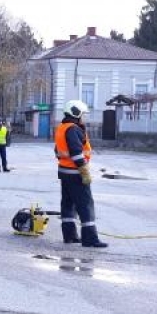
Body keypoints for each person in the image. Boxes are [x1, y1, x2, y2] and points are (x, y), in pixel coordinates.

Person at [55, 100, 108, 248]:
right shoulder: (73, 129)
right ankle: (90, 239)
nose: (84, 117)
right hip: (76, 173)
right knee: (85, 205)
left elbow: (58, 152)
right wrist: (84, 171)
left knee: (68, 204)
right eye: (83, 114)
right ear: (75, 113)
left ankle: (70, 236)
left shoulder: (61, 128)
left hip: (64, 172)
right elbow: (77, 153)